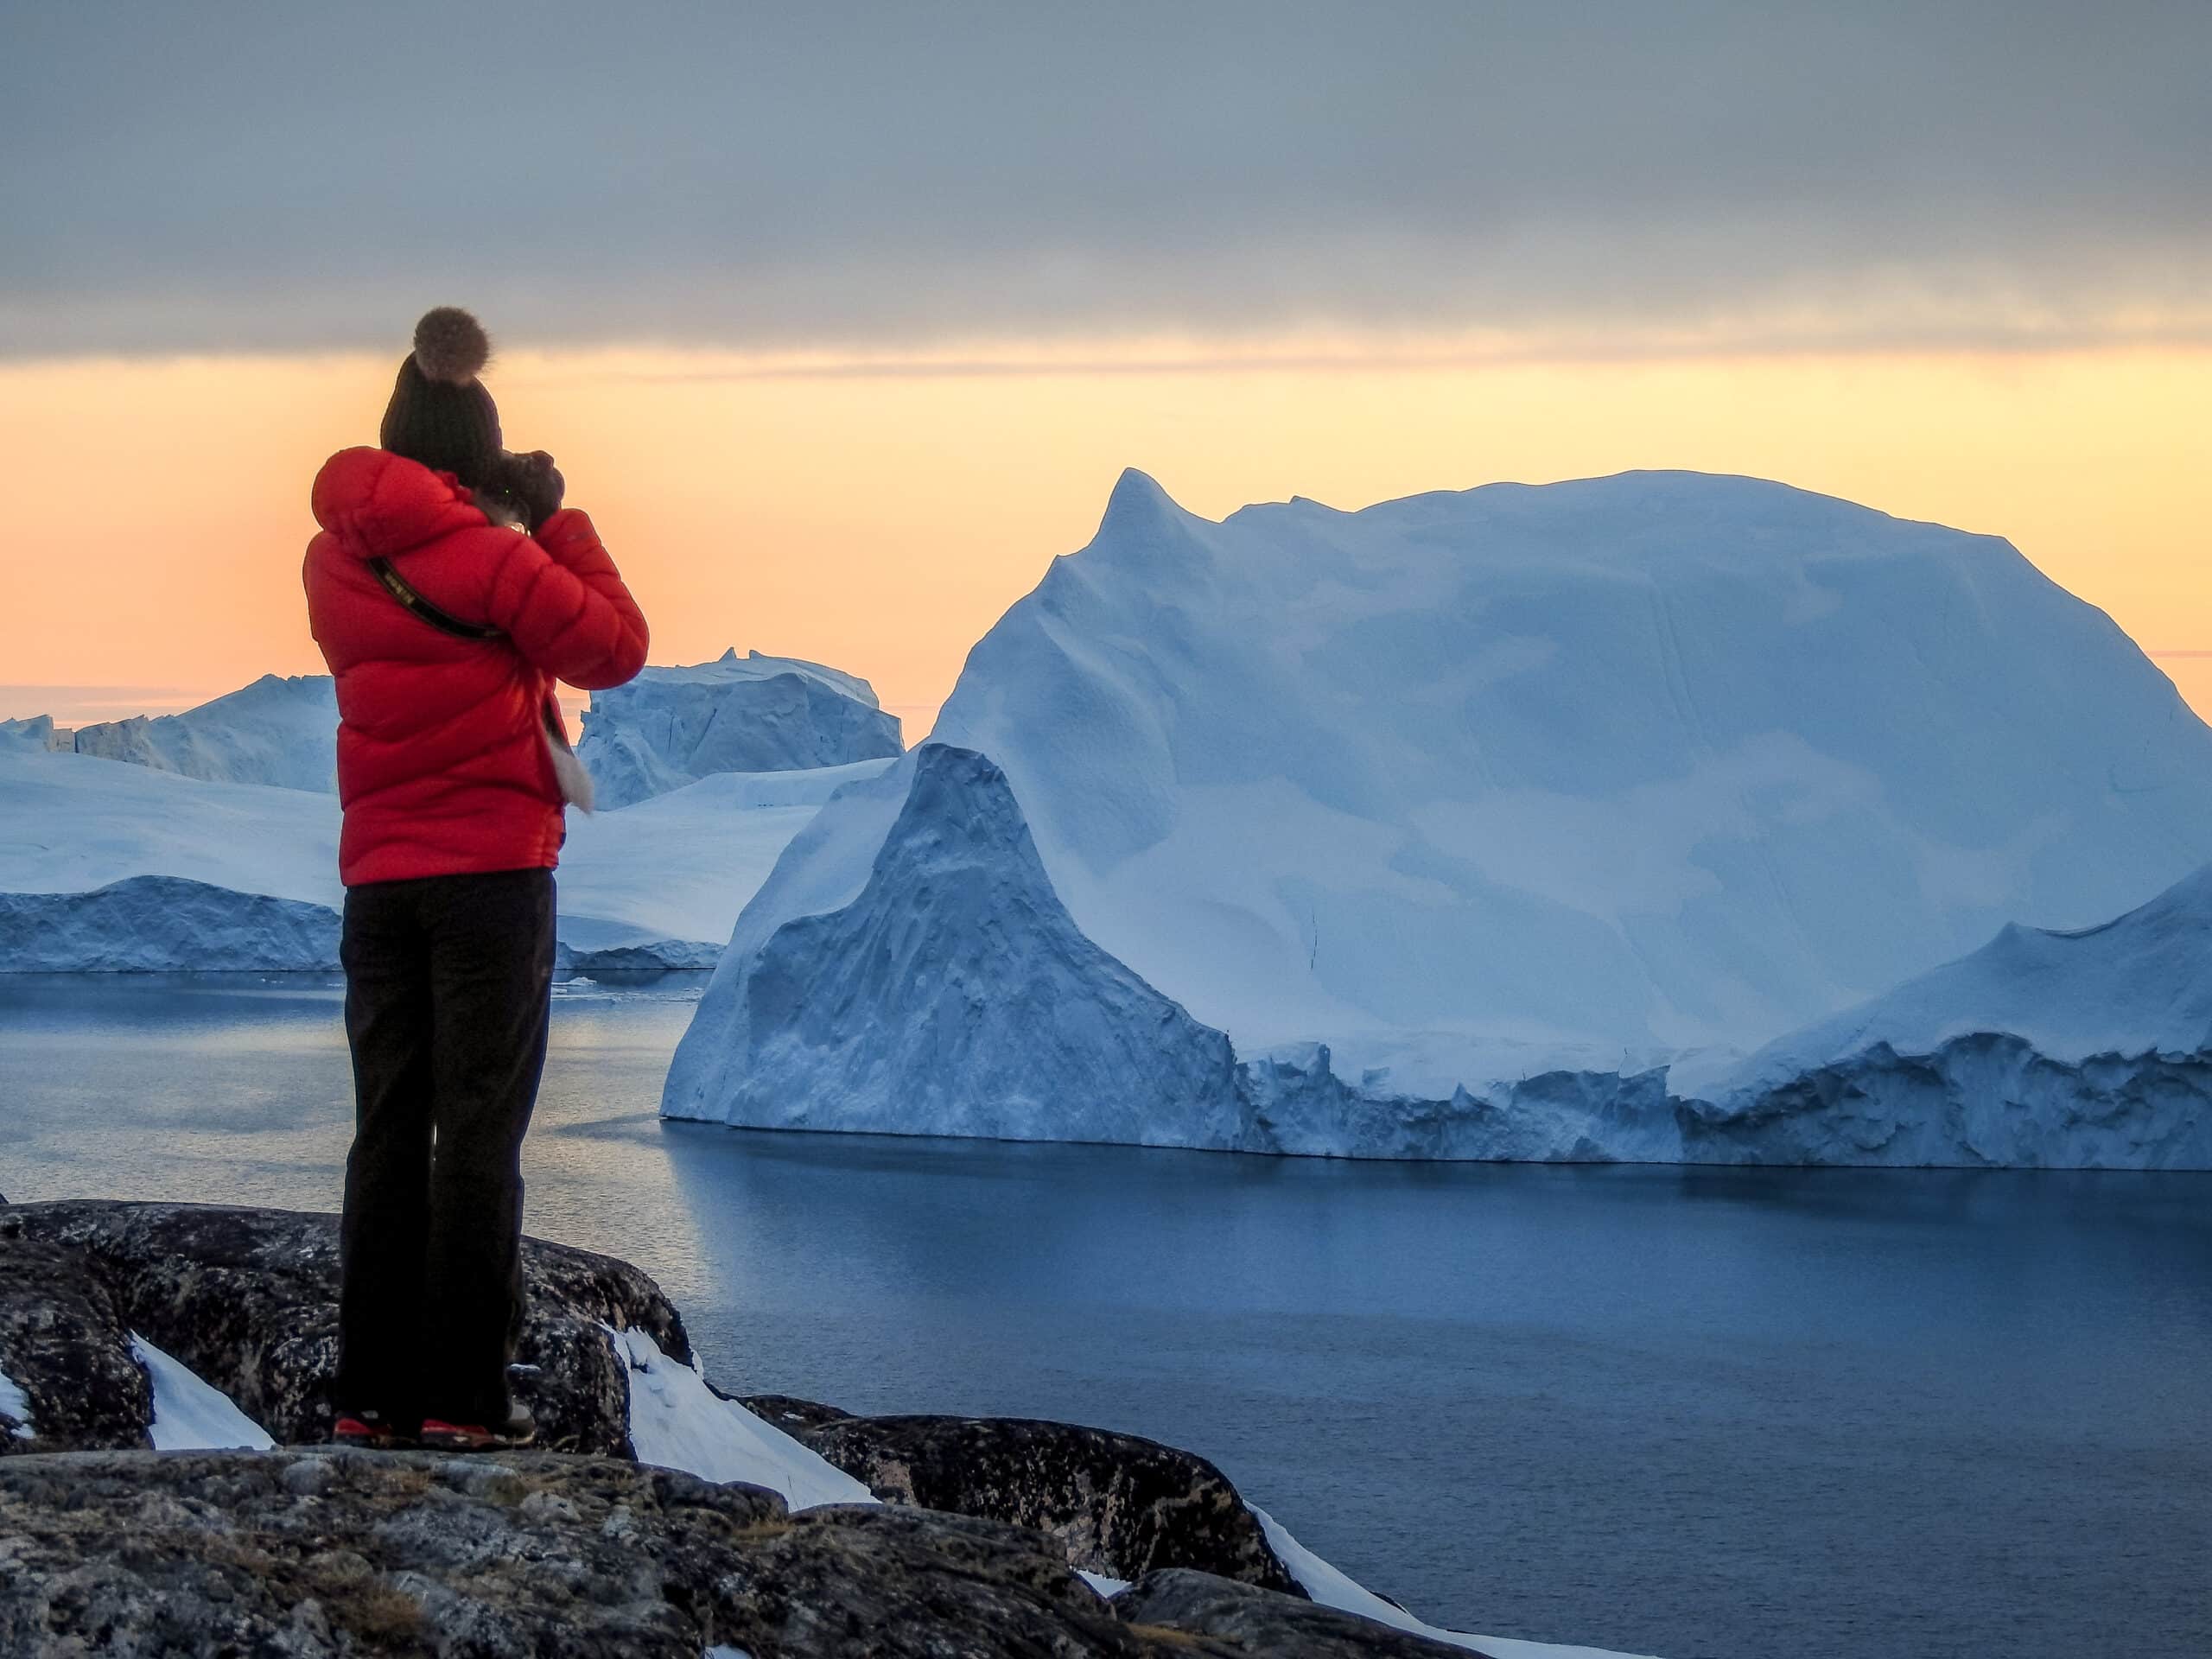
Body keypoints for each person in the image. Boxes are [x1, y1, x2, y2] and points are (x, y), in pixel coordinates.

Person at [302, 307, 649, 1450]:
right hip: (493, 878)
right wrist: (557, 520)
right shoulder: (502, 557)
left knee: (387, 1133)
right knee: (479, 1138)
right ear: (477, 452)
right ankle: (460, 1403)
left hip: (380, 882)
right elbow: (613, 647)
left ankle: (365, 1399)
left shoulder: (335, 556)